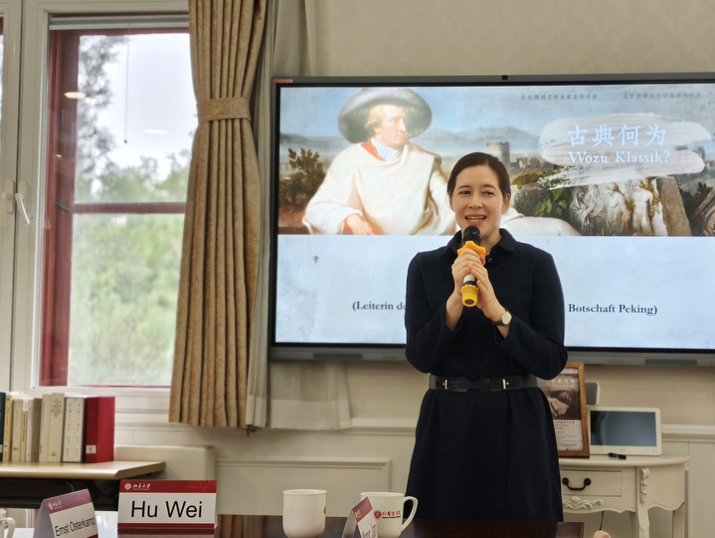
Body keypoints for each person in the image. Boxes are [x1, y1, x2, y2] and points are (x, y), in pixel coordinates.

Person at [404, 152, 568, 521]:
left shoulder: (537, 264)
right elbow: (420, 356)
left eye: (487, 192)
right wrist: (453, 304)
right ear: (450, 200)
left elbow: (551, 361)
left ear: (506, 201)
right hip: (447, 420)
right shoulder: (426, 266)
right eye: (464, 192)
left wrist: (499, 314)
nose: (475, 203)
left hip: (517, 421)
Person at [302, 88, 455, 235]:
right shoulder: (348, 161)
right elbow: (317, 208)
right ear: (375, 126)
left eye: (405, 120)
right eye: (394, 120)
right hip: (370, 247)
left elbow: (450, 205)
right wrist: (352, 220)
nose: (403, 128)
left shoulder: (425, 160)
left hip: (425, 244)